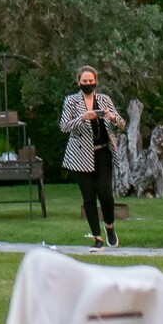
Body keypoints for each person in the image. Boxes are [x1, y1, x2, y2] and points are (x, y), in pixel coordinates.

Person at [60, 65, 125, 249]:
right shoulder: (71, 101)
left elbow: (121, 124)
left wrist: (112, 117)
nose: (88, 84)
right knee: (89, 197)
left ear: (96, 81)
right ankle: (97, 237)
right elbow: (64, 126)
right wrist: (82, 117)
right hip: (80, 156)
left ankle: (110, 227)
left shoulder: (104, 100)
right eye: (84, 81)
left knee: (105, 194)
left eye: (91, 81)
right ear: (79, 82)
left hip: (102, 152)